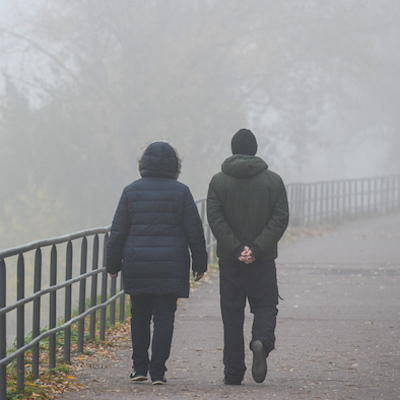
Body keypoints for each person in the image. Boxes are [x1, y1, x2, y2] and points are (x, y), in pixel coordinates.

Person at [106, 141, 208, 385]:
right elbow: (195, 231)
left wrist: (112, 264)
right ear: (175, 165)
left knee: (139, 316)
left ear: (143, 164)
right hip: (170, 265)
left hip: (138, 263)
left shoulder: (131, 191)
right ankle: (158, 372)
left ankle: (139, 368)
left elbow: (118, 231)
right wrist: (200, 263)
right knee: (164, 318)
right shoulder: (181, 192)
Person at [207, 129, 289, 385]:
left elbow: (215, 219)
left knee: (232, 317)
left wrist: (235, 249)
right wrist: (257, 248)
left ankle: (233, 373)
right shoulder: (273, 181)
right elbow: (280, 218)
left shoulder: (218, 182)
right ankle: (261, 341)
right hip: (262, 261)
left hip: (231, 263)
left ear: (233, 150)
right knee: (265, 306)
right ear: (255, 149)